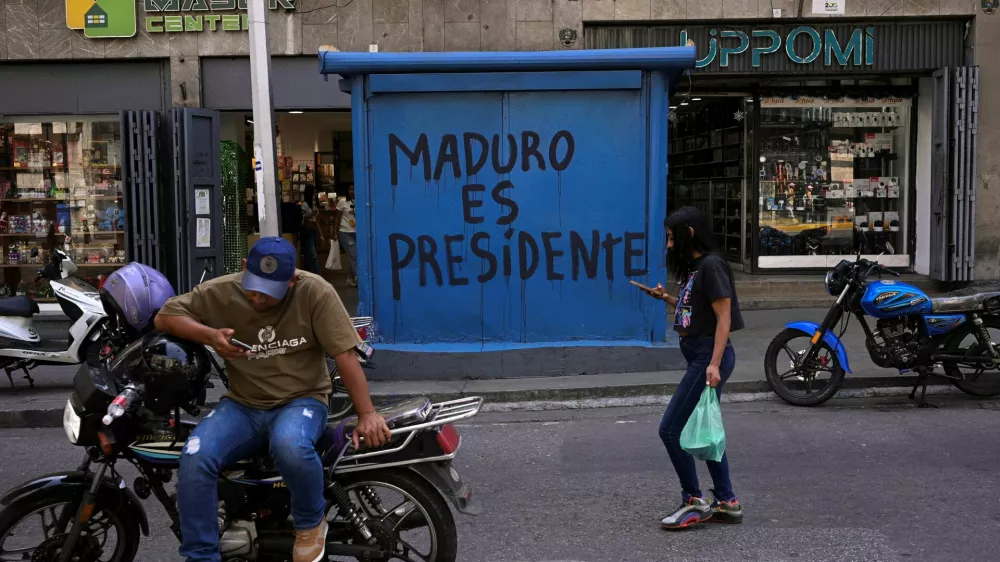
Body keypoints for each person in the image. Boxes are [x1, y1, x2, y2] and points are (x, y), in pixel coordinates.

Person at [155, 237, 392, 562]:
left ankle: (310, 524)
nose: (258, 297)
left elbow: (345, 355)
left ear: (292, 279)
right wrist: (209, 335)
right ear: (243, 270)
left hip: (303, 400)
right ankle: (201, 555)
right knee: (195, 457)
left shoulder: (315, 291)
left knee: (290, 445)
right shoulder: (222, 291)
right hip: (243, 404)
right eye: (253, 287)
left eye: (270, 291)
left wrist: (367, 413)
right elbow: (165, 316)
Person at [637, 206, 745, 530]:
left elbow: (724, 318)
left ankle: (693, 500)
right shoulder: (696, 267)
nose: (669, 246)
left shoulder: (711, 265)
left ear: (689, 234)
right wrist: (668, 298)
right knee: (706, 430)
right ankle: (728, 501)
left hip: (708, 355)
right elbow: (697, 308)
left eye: (672, 239)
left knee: (670, 429)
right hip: (702, 353)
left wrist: (713, 364)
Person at [333, 184, 358, 287]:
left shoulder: (360, 200)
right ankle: (360, 278)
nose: (351, 191)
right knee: (354, 256)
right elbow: (337, 218)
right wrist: (335, 233)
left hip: (357, 233)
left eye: (353, 189)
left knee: (353, 257)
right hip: (345, 232)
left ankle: (351, 279)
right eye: (349, 189)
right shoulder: (342, 202)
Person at [299, 185, 323, 274]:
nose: (315, 194)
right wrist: (312, 214)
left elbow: (316, 221)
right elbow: (302, 218)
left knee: (313, 253)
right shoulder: (305, 204)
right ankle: (316, 273)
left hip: (314, 229)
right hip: (307, 230)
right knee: (312, 254)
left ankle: (312, 272)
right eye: (313, 192)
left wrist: (321, 234)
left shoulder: (315, 204)